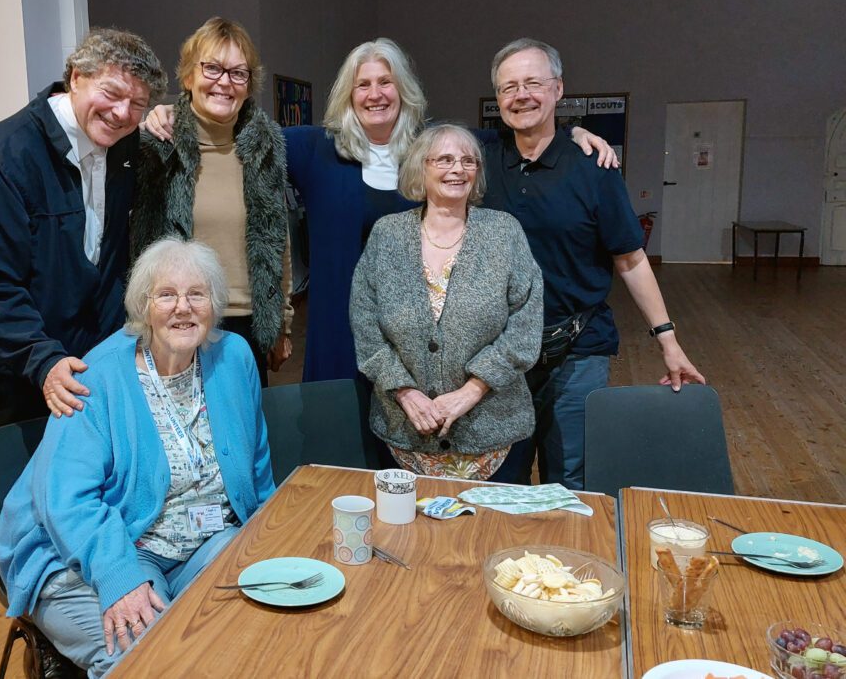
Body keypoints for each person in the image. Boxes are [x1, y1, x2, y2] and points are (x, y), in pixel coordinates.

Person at [144, 38, 614, 383]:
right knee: (340, 458)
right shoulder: (314, 149)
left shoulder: (434, 148)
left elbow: (520, 132)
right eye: (362, 84)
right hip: (338, 331)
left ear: (401, 88)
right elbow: (232, 132)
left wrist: (574, 134)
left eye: (384, 82)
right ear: (348, 94)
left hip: (419, 333)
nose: (374, 93)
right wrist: (171, 112)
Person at [0, 237, 275, 677]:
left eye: (196, 294)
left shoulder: (233, 358)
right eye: (166, 295)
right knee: (149, 658)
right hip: (95, 549)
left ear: (215, 303)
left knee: (253, 625)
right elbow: (67, 500)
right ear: (143, 306)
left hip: (200, 545)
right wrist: (118, 576)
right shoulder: (98, 375)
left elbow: (256, 466)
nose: (182, 307)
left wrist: (271, 544)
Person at [482, 38, 705, 489]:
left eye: (533, 83)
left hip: (577, 350)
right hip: (499, 356)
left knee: (572, 481)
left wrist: (668, 340)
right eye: (508, 87)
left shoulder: (593, 166)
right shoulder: (480, 160)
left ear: (558, 89)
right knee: (500, 481)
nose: (521, 95)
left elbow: (631, 259)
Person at [0, 28, 166, 447]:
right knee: (26, 503)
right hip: (21, 373)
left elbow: (107, 265)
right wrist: (44, 361)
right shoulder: (9, 151)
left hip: (90, 368)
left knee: (90, 497)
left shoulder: (125, 148)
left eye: (138, 105)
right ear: (75, 77)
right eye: (111, 92)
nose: (122, 113)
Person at [350, 125, 543, 480]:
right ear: (420, 169)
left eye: (468, 161)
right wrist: (405, 392)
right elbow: (365, 324)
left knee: (493, 536)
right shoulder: (387, 235)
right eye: (445, 159)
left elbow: (525, 326)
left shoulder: (504, 232)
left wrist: (471, 391)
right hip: (404, 435)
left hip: (493, 434)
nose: (458, 169)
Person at [130, 17, 292, 387]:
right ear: (188, 76)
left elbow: (276, 238)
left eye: (238, 73)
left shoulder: (264, 147)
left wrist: (281, 322)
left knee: (241, 438)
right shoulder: (157, 147)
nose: (224, 82)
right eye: (213, 68)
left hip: (247, 325)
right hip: (175, 322)